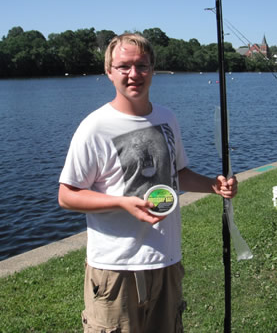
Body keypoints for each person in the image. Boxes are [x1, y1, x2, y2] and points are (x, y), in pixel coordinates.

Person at [58, 33, 237, 333]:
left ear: (153, 69)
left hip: (166, 263)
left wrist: (213, 186)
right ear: (109, 72)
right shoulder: (94, 127)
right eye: (124, 66)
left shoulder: (167, 118)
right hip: (116, 269)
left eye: (142, 66)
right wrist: (121, 202)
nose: (133, 74)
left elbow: (177, 174)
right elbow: (67, 195)